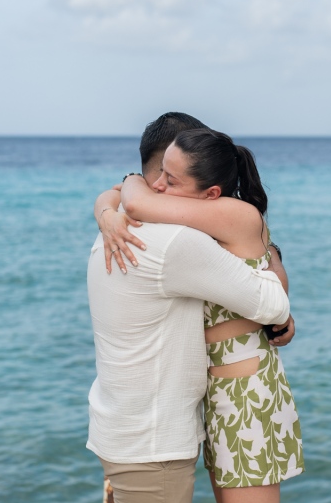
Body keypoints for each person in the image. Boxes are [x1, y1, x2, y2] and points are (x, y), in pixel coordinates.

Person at [86, 120, 292, 503]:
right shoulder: (187, 226)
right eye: (160, 173)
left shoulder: (216, 218)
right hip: (209, 399)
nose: (160, 186)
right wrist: (106, 211)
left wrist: (130, 184)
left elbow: (131, 199)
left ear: (210, 188)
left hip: (244, 392)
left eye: (172, 177)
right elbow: (118, 197)